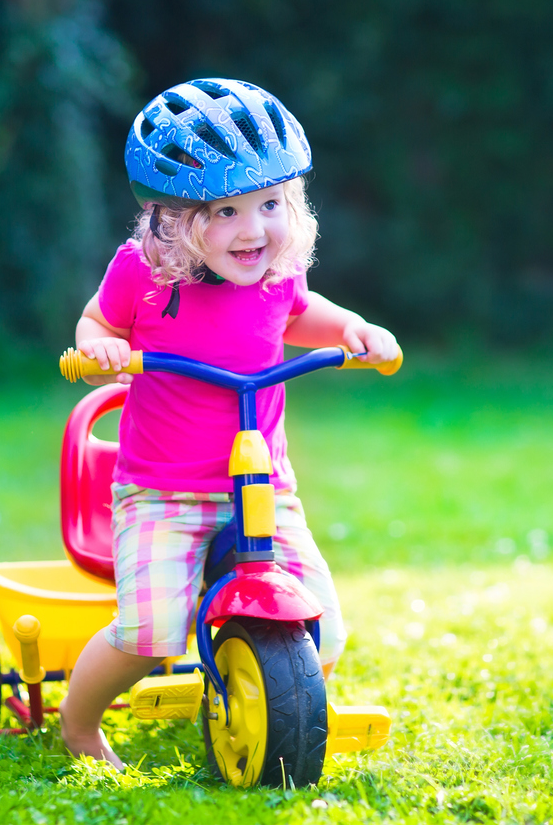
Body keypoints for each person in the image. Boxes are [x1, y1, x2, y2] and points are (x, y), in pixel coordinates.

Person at [57, 78, 400, 768]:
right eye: (225, 210)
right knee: (151, 632)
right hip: (163, 491)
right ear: (172, 219)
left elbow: (299, 314)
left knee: (324, 630)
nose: (254, 229)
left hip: (262, 485)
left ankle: (264, 699)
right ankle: (79, 724)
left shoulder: (276, 271)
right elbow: (99, 319)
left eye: (270, 203)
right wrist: (99, 347)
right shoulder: (145, 270)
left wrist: (357, 328)